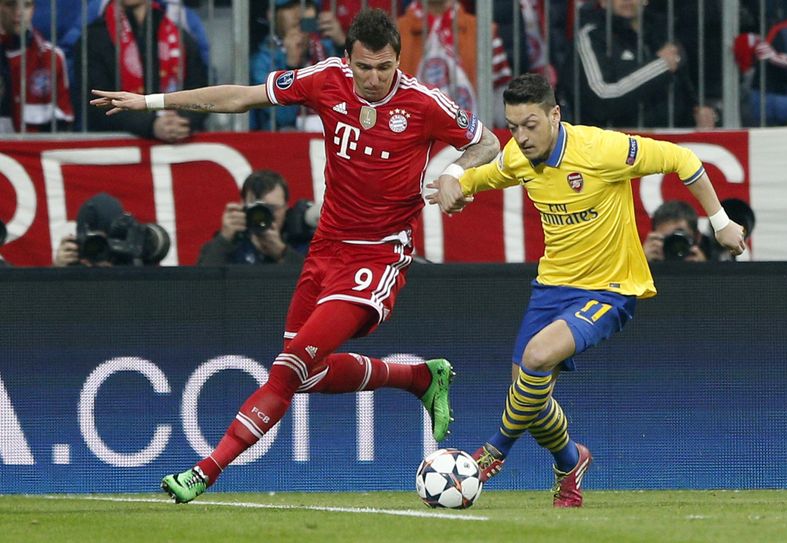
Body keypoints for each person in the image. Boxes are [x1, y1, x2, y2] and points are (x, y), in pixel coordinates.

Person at [91, 7, 500, 503]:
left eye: (384, 67)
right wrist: (149, 102)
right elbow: (240, 97)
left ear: (398, 61)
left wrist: (456, 173)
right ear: (347, 59)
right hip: (325, 248)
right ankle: (419, 376)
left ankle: (205, 471)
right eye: (364, 67)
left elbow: (486, 142)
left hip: (378, 256)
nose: (373, 79)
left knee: (287, 370)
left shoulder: (423, 103)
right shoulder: (326, 78)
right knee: (309, 376)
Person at [428, 73, 744, 507]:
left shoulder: (602, 149)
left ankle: (492, 452)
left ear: (555, 115)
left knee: (537, 359)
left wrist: (721, 222)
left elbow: (683, 160)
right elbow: (481, 178)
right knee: (531, 400)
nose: (521, 137)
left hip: (609, 288)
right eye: (514, 126)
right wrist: (451, 179)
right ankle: (571, 461)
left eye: (531, 125)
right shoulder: (520, 157)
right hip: (551, 287)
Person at [568, 0, 717, 129]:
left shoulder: (662, 32)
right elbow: (602, 96)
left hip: (667, 146)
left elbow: (684, 88)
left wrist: (698, 111)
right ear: (603, 1)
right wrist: (660, 66)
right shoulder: (591, 36)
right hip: (615, 148)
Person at [74, 0, 208, 142]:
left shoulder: (179, 36)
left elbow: (200, 91)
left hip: (178, 142)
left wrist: (181, 122)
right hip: (118, 149)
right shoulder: (94, 37)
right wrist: (152, 125)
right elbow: (97, 103)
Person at [397, 0, 512, 124]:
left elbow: (500, 89)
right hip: (412, 136)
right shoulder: (395, 31)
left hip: (473, 137)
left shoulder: (483, 30)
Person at [250, 0, 343, 131]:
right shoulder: (263, 61)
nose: (299, 13)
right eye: (289, 7)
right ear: (272, 14)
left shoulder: (328, 49)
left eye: (307, 6)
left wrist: (343, 44)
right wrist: (291, 65)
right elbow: (284, 119)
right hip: (287, 141)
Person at [197, 169, 306, 266]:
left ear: (286, 208)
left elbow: (316, 284)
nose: (265, 215)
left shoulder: (301, 243)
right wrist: (223, 240)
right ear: (243, 206)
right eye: (258, 208)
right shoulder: (230, 247)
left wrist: (282, 252)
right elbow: (201, 284)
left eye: (272, 208)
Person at [0, 0, 74, 132]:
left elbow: (62, 127)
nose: (18, 13)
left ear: (33, 9)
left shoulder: (52, 58)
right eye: (10, 4)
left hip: (33, 150)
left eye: (26, 5)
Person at [52, 192, 170, 267]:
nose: (103, 251)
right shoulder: (74, 270)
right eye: (95, 244)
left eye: (108, 242)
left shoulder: (130, 258)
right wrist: (57, 271)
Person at [642, 200, 706, 262]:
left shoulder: (713, 262)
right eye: (666, 238)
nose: (673, 244)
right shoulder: (645, 264)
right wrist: (642, 261)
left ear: (697, 237)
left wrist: (703, 268)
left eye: (678, 236)